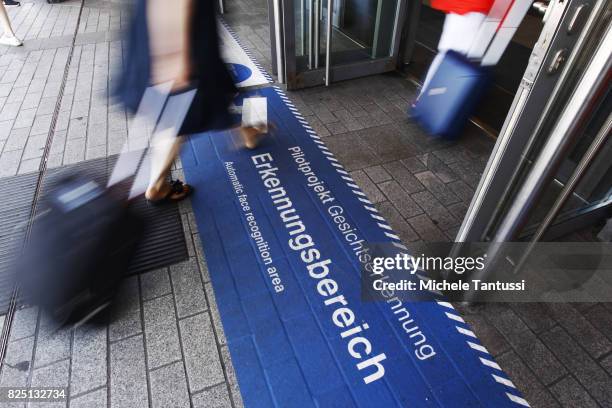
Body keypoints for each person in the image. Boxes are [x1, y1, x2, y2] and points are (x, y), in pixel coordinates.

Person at [118, 0, 266, 203]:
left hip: (169, 28)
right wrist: (174, 56)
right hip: (180, 34)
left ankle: (247, 131)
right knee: (182, 114)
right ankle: (157, 185)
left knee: (203, 99)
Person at [417, 0, 494, 100]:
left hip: (466, 7)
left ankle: (426, 97)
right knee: (455, 57)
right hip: (472, 7)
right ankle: (428, 99)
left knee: (449, 55)